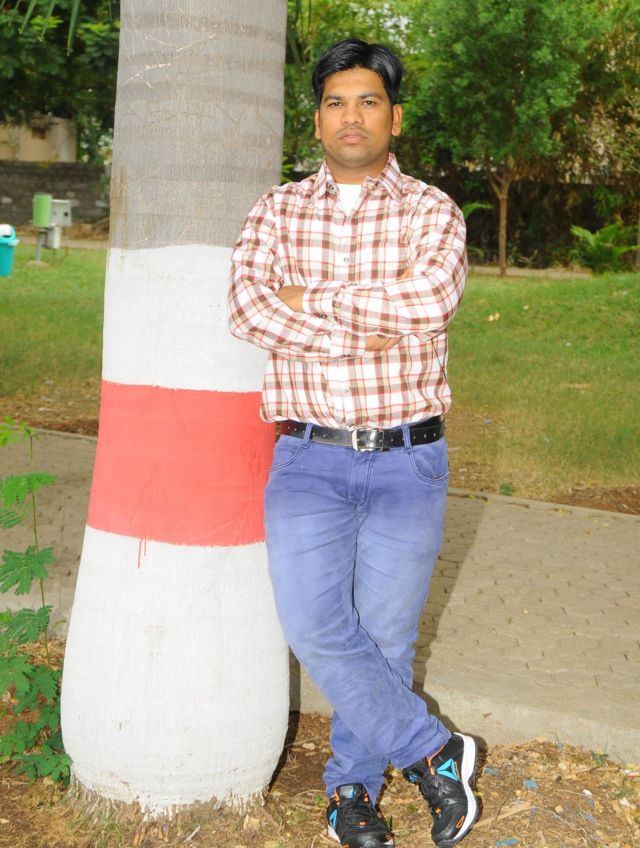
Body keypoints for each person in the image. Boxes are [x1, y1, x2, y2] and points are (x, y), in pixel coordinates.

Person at [228, 38, 478, 848]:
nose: (351, 116)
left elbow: (430, 301)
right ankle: (434, 750)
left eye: (368, 101)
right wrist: (362, 323)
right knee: (314, 626)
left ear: (393, 117)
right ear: (317, 119)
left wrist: (312, 301)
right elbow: (247, 310)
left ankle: (351, 795)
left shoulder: (431, 210)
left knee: (387, 641)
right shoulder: (276, 210)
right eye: (336, 102)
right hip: (309, 457)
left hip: (409, 459)